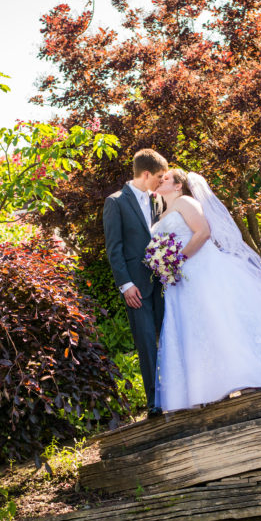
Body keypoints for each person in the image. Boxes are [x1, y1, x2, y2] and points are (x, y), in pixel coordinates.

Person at [151, 168, 261, 412]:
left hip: (201, 267)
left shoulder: (185, 201)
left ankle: (250, 373)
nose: (160, 181)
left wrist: (178, 259)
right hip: (180, 280)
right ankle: (211, 386)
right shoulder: (161, 213)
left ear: (177, 186)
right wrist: (163, 263)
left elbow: (203, 232)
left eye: (165, 178)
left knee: (220, 319)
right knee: (197, 327)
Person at [103, 148, 169, 417]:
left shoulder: (157, 201)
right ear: (145, 174)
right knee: (145, 343)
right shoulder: (115, 202)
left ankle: (176, 391)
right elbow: (114, 249)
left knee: (169, 338)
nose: (162, 181)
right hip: (136, 288)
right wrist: (125, 285)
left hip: (162, 284)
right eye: (159, 177)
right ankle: (155, 401)